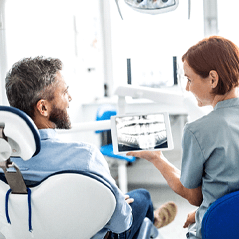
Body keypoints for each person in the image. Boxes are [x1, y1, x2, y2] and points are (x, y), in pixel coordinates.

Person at [3, 56, 177, 239]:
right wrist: (118, 204)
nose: (70, 98)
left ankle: (152, 218)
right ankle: (152, 219)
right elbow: (120, 223)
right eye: (64, 92)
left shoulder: (4, 161)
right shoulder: (85, 157)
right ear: (43, 108)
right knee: (142, 197)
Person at [127, 35, 239, 239]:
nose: (187, 88)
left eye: (189, 79)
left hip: (216, 230)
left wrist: (156, 158)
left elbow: (194, 196)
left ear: (213, 79)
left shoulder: (198, 130)